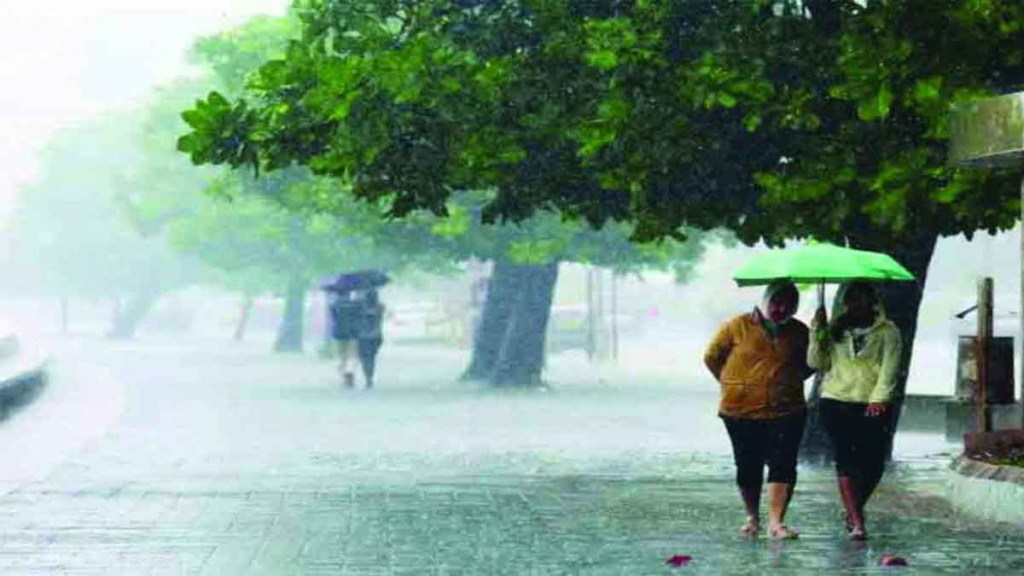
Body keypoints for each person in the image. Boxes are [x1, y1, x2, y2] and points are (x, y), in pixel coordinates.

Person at [703, 281, 813, 540]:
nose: (781, 308)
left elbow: (813, 362)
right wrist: (733, 383)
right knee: (747, 465)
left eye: (789, 304)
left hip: (787, 409)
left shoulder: (800, 332)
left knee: (783, 464)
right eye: (776, 302)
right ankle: (752, 517)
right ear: (766, 300)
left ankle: (777, 522)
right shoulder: (737, 326)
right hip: (741, 410)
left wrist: (789, 380)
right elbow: (711, 357)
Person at [808, 281, 902, 541]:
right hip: (835, 400)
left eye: (862, 299)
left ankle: (854, 509)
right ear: (845, 303)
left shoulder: (888, 331)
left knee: (874, 464)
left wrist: (879, 398)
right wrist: (817, 332)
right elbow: (816, 363)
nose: (856, 305)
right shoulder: (834, 329)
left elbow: (890, 367)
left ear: (872, 302)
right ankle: (857, 522)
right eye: (852, 300)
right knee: (846, 461)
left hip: (872, 401)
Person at [328, 291, 363, 388]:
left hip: (340, 333)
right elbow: (359, 315)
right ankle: (350, 373)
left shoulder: (335, 305)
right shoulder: (355, 305)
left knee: (342, 355)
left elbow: (334, 317)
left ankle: (344, 376)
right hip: (352, 332)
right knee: (353, 354)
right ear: (348, 295)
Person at [357, 288, 385, 389]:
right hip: (376, 336)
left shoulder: (361, 308)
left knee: (364, 358)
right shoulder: (380, 307)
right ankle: (369, 377)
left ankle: (368, 376)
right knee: (371, 358)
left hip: (363, 336)